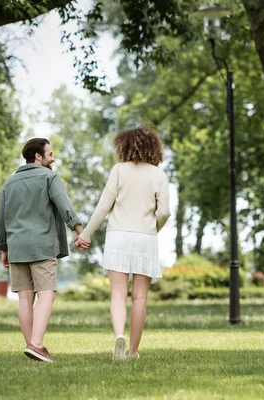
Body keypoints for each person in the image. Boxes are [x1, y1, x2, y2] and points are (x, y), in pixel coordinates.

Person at [75, 126, 171, 361]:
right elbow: (165, 212)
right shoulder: (159, 175)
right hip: (145, 239)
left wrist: (85, 234)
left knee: (118, 295)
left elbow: (103, 206)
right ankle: (133, 351)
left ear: (125, 146)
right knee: (140, 297)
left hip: (118, 236)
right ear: (153, 147)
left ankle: (119, 334)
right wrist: (154, 229)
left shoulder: (118, 170)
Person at [0, 138, 88, 362]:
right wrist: (79, 229)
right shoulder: (49, 177)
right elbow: (64, 205)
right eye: (50, 154)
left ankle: (31, 346)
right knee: (47, 294)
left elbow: (0, 220)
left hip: (16, 247)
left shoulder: (9, 184)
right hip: (42, 245)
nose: (53, 158)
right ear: (38, 156)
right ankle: (36, 345)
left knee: (25, 299)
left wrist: (4, 247)